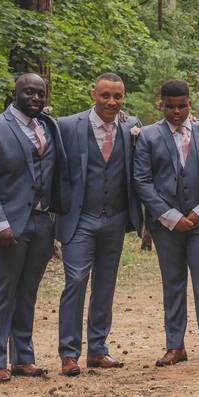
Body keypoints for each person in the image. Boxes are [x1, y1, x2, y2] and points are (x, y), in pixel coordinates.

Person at [133, 79, 199, 367]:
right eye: (170, 107)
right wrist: (170, 216)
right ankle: (175, 345)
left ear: (190, 103)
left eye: (182, 106)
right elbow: (142, 181)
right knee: (173, 282)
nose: (177, 112)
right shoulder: (147, 136)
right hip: (166, 224)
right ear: (162, 105)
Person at [0, 73, 68, 383]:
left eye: (41, 93)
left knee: (27, 293)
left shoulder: (48, 126)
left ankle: (23, 358)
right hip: (4, 225)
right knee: (2, 292)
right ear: (15, 94)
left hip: (41, 222)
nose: (36, 98)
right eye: (29, 92)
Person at [56, 73, 143, 376]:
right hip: (79, 218)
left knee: (105, 285)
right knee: (76, 281)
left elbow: (160, 139)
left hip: (115, 219)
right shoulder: (67, 126)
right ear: (93, 94)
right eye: (105, 95)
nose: (111, 102)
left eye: (117, 97)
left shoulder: (132, 127)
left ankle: (97, 349)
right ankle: (69, 353)